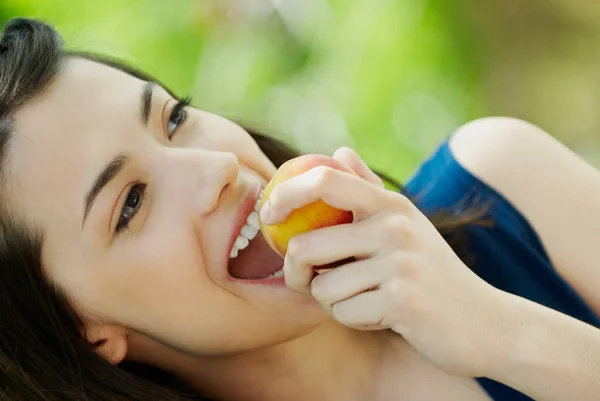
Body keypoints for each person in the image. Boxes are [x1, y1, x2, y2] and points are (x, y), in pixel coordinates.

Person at [0, 17, 599, 401]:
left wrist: (506, 334)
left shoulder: (499, 183)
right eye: (130, 203)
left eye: (173, 118)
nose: (216, 168)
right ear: (87, 331)